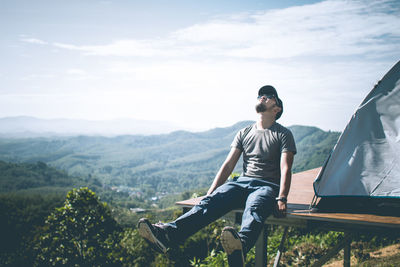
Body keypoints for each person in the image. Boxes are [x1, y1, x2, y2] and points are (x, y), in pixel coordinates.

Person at [138, 85, 296, 267]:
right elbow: (228, 165)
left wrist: (282, 197)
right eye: (260, 95)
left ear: (277, 109)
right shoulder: (244, 132)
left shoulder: (283, 134)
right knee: (209, 203)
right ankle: (167, 235)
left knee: (255, 207)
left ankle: (240, 247)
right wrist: (210, 192)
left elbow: (286, 167)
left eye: (269, 96)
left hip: (266, 186)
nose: (262, 97)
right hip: (242, 182)